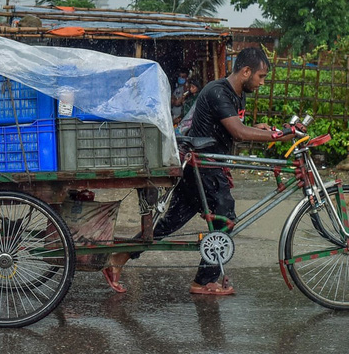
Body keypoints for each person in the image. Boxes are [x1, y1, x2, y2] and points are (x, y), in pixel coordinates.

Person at [102, 47, 294, 295]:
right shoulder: (218, 92)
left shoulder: (236, 95)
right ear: (246, 71)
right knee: (225, 217)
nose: (262, 82)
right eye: (261, 76)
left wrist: (257, 128)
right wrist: (278, 135)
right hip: (204, 168)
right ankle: (204, 281)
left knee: (170, 222)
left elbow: (232, 128)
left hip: (203, 166)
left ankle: (119, 258)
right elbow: (238, 131)